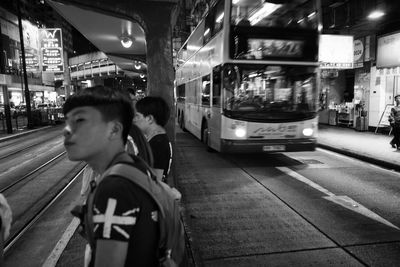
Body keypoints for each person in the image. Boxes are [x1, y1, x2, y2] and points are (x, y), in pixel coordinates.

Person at [63, 85, 159, 267]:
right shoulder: (133, 166)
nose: (67, 130)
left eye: (80, 121)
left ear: (114, 129)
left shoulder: (114, 189)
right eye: (67, 121)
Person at [134, 96, 172, 184]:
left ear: (150, 119)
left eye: (137, 116)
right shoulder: (157, 139)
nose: (134, 120)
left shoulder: (158, 144)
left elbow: (154, 181)